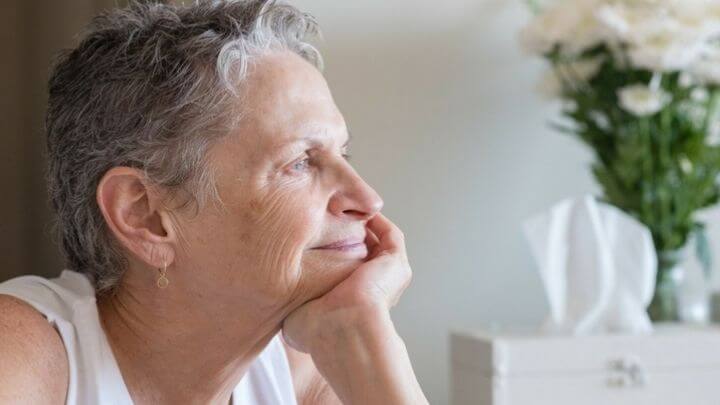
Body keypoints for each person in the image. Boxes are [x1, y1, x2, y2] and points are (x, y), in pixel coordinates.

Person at [0, 1, 428, 404]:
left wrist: (370, 343)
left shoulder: (311, 365)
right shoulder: (22, 356)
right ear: (146, 215)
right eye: (300, 163)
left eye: (344, 154)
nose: (367, 199)